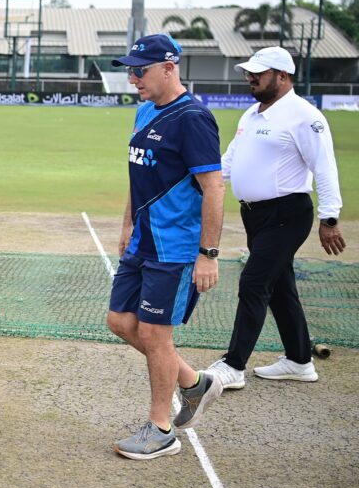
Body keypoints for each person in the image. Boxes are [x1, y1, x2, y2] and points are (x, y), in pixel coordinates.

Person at [105, 34, 225, 460]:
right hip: (142, 242)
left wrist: (207, 255)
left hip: (175, 249)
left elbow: (213, 188)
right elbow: (139, 178)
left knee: (156, 335)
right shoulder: (142, 110)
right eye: (131, 70)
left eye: (141, 70)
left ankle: (161, 429)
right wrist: (126, 225)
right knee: (120, 322)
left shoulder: (193, 118)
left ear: (169, 68)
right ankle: (194, 382)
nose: (133, 78)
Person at [204, 47, 346, 389]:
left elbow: (324, 167)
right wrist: (198, 183)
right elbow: (230, 161)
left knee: (253, 282)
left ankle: (233, 366)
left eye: (258, 73)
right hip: (255, 216)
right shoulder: (252, 114)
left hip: (288, 214)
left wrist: (329, 219)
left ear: (282, 76)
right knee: (281, 287)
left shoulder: (304, 116)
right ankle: (299, 361)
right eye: (249, 72)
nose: (250, 78)